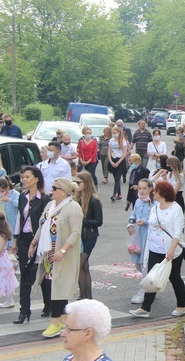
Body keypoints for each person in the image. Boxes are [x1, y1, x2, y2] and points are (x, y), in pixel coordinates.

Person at [129, 181, 185, 318]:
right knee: (151, 277)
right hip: (155, 249)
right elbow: (151, 226)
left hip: (171, 250)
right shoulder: (155, 208)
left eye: (155, 191)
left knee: (174, 277)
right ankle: (145, 308)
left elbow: (178, 231)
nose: (152, 193)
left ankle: (182, 305)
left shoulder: (175, 208)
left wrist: (172, 250)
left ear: (163, 193)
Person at [32, 178, 83, 337]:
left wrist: (62, 250)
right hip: (49, 254)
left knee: (59, 288)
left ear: (64, 191)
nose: (51, 190)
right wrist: (33, 243)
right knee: (51, 286)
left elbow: (76, 233)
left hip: (63, 255)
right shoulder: (50, 206)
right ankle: (62, 321)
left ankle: (56, 322)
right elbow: (42, 225)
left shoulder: (73, 207)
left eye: (55, 188)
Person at [11, 166, 52, 325]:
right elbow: (20, 217)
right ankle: (24, 310)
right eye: (23, 177)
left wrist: (36, 243)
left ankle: (48, 303)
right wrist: (15, 239)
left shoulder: (45, 199)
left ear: (36, 179)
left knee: (40, 272)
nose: (24, 180)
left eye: (28, 177)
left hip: (39, 239)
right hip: (24, 238)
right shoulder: (22, 197)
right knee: (25, 274)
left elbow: (45, 223)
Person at [74, 172, 102, 301]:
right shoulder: (77, 197)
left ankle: (86, 297)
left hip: (90, 235)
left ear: (86, 183)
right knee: (84, 266)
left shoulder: (94, 200)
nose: (76, 185)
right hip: (80, 235)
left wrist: (82, 220)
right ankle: (84, 295)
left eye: (78, 182)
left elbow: (99, 221)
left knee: (79, 264)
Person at [127, 179, 155, 305]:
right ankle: (151, 283)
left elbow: (156, 221)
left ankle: (143, 292)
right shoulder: (138, 201)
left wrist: (145, 222)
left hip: (148, 235)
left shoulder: (154, 203)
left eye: (144, 188)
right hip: (138, 234)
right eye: (140, 188)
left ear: (150, 189)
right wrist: (131, 223)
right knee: (137, 263)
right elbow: (133, 213)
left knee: (144, 264)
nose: (142, 191)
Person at [108, 126, 130, 202]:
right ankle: (119, 194)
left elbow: (124, 153)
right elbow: (109, 151)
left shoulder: (123, 141)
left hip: (120, 160)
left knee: (117, 178)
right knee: (115, 178)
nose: (114, 135)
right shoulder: (111, 140)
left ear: (119, 133)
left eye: (115, 133)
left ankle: (114, 194)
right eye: (113, 133)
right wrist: (111, 161)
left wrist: (118, 162)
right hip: (113, 159)